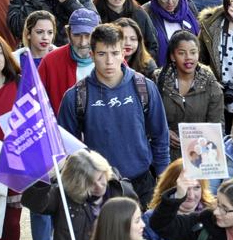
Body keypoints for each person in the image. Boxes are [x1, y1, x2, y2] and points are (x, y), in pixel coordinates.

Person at [58, 23, 170, 206]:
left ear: (123, 53)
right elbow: (65, 148)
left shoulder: (144, 87)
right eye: (102, 54)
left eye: (115, 53)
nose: (109, 61)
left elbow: (160, 136)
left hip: (142, 184)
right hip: (97, 186)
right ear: (92, 55)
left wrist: (163, 175)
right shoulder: (76, 96)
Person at [22, 150, 140, 240]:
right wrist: (43, 178)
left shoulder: (121, 191)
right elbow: (35, 203)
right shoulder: (63, 195)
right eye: (90, 184)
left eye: (100, 177)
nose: (99, 186)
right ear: (76, 184)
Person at [154, 31, 225, 157]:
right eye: (182, 53)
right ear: (172, 56)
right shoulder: (158, 80)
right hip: (165, 153)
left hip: (200, 153)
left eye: (193, 52)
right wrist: (164, 132)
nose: (188, 57)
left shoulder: (210, 83)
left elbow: (217, 125)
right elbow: (148, 119)